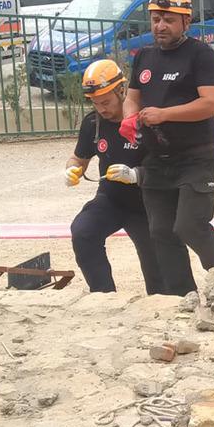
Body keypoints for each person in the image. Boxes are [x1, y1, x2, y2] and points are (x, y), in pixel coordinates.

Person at [119, 0, 214, 295]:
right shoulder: (143, 56)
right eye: (156, 19)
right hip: (156, 158)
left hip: (196, 156)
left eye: (169, 20)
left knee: (189, 225)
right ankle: (183, 295)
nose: (160, 26)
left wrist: (165, 114)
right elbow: (132, 99)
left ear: (186, 22)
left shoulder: (201, 55)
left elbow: (211, 103)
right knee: (161, 231)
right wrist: (130, 117)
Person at [67, 59, 164, 294]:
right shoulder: (93, 123)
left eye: (106, 102)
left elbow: (167, 167)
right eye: (95, 103)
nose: (102, 109)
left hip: (148, 203)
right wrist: (72, 170)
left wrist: (136, 175)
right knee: (83, 231)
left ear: (121, 90)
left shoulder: (146, 120)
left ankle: (161, 299)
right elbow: (78, 158)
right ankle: (104, 295)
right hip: (111, 199)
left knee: (157, 269)